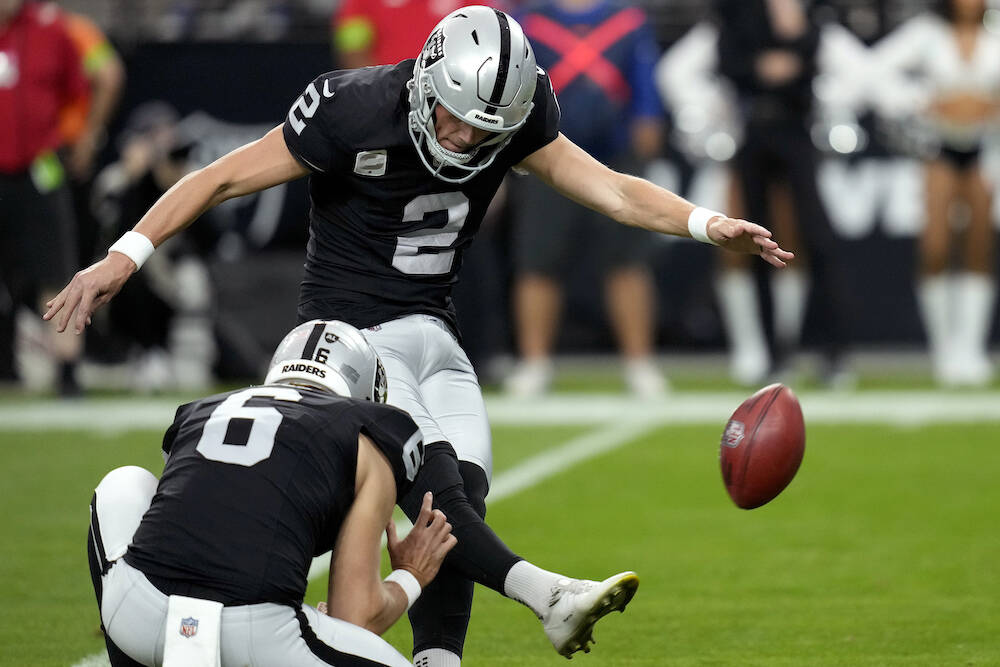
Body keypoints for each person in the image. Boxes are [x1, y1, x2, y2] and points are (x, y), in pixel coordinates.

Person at [48, 7, 792, 664]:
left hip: (435, 327)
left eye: (486, 128)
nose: (466, 136)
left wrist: (706, 223)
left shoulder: (518, 110)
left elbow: (615, 189)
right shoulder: (353, 105)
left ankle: (440, 658)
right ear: (429, 81)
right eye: (456, 115)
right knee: (438, 493)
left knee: (460, 498)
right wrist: (126, 253)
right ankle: (550, 595)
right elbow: (220, 178)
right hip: (350, 332)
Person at [88, 319, 455, 666]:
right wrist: (410, 574)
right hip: (254, 634)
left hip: (137, 615)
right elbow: (355, 615)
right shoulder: (366, 437)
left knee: (124, 483)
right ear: (368, 394)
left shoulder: (201, 411)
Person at [504, 0, 668, 398]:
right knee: (538, 260)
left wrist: (649, 116)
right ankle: (535, 361)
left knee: (627, 260)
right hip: (547, 154)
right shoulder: (529, 20)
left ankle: (639, 361)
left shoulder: (627, 18)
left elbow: (644, 76)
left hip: (616, 153)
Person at [713, 0, 855, 386]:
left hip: (797, 132)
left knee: (819, 238)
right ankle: (771, 353)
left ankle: (833, 352)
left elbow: (815, 62)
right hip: (754, 133)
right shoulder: (739, 12)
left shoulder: (811, 13)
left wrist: (794, 40)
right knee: (756, 240)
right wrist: (765, 66)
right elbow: (729, 64)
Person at [871, 0, 1000, 387]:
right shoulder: (926, 35)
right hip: (938, 150)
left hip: (984, 151)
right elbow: (875, 71)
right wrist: (924, 101)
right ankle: (944, 349)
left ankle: (971, 348)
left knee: (979, 245)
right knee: (937, 247)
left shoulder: (995, 34)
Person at [0, 0, 89, 395]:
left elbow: (82, 88)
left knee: (56, 270)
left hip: (40, 168)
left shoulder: (53, 28)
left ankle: (68, 370)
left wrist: (77, 138)